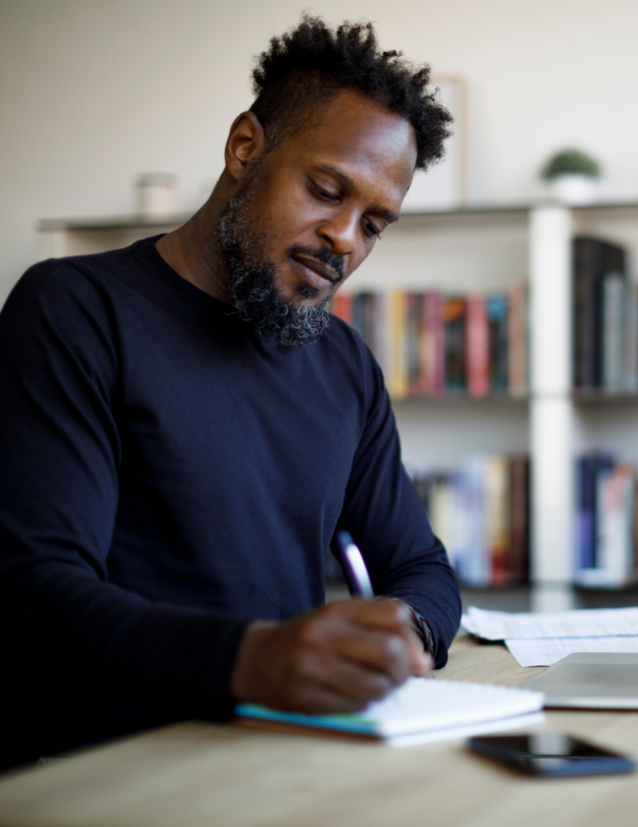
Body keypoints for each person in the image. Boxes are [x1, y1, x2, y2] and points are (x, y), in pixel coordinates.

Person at [0, 16, 462, 769]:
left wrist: (403, 633)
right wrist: (252, 659)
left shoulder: (344, 363)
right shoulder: (74, 310)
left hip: (286, 754)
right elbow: (32, 591)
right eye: (325, 189)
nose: (345, 237)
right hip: (102, 765)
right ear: (245, 149)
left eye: (374, 223)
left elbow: (420, 567)